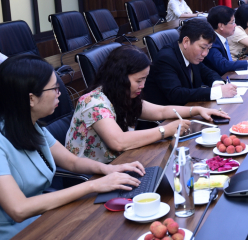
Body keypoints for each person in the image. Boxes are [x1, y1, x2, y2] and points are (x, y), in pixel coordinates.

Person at [0, 54, 144, 240]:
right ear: (31, 99)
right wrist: (94, 185)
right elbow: (19, 209)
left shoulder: (32, 126)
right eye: (54, 89)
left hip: (42, 221)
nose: (59, 93)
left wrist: (108, 170)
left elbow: (72, 161)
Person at [66, 46, 228, 164]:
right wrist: (165, 130)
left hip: (122, 163)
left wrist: (197, 110)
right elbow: (119, 141)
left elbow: (161, 111)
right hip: (93, 175)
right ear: (119, 77)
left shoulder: (121, 94)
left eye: (144, 79)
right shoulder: (94, 102)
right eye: (138, 81)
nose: (143, 85)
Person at [143, 19, 238, 106]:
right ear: (186, 42)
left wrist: (218, 84)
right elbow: (176, 94)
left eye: (208, 48)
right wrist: (217, 92)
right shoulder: (165, 59)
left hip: (189, 109)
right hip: (168, 119)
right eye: (202, 47)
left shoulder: (191, 55)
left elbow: (208, 72)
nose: (205, 53)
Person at [204, 6, 248, 76]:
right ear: (221, 26)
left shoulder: (222, 38)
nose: (235, 25)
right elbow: (223, 65)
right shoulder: (212, 42)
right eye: (232, 22)